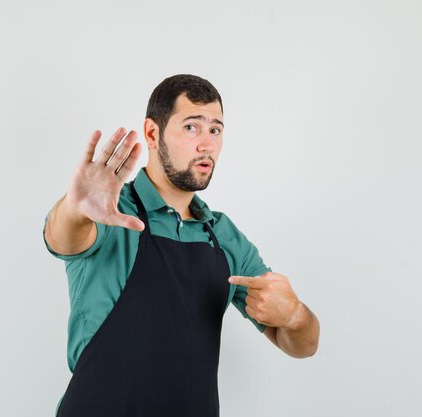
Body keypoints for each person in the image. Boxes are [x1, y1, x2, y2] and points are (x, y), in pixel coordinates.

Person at [43, 74, 320, 417]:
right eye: (191, 127)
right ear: (151, 133)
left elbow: (302, 345)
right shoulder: (111, 211)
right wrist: (74, 208)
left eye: (215, 130)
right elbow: (61, 238)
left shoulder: (224, 236)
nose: (207, 144)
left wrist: (294, 316)